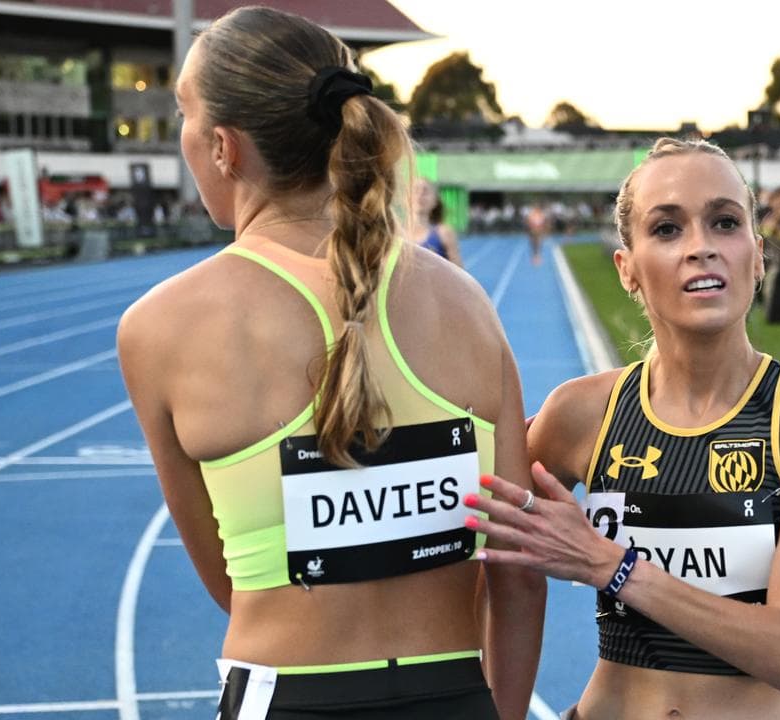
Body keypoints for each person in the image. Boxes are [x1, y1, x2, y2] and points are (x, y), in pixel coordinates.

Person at [115, 8, 544, 719]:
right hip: (455, 695)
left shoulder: (161, 328)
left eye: (184, 116)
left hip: (285, 696)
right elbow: (519, 577)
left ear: (223, 146)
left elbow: (230, 583)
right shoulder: (466, 305)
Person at [464, 138, 780, 719]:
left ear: (757, 255)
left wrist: (611, 565)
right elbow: (482, 557)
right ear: (626, 269)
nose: (701, 248)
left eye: (725, 222)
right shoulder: (580, 414)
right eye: (666, 229)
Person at [410, 178, 463, 266]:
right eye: (416, 191)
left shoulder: (444, 233)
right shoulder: (397, 235)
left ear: (435, 201)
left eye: (425, 191)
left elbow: (460, 273)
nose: (420, 195)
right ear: (406, 198)